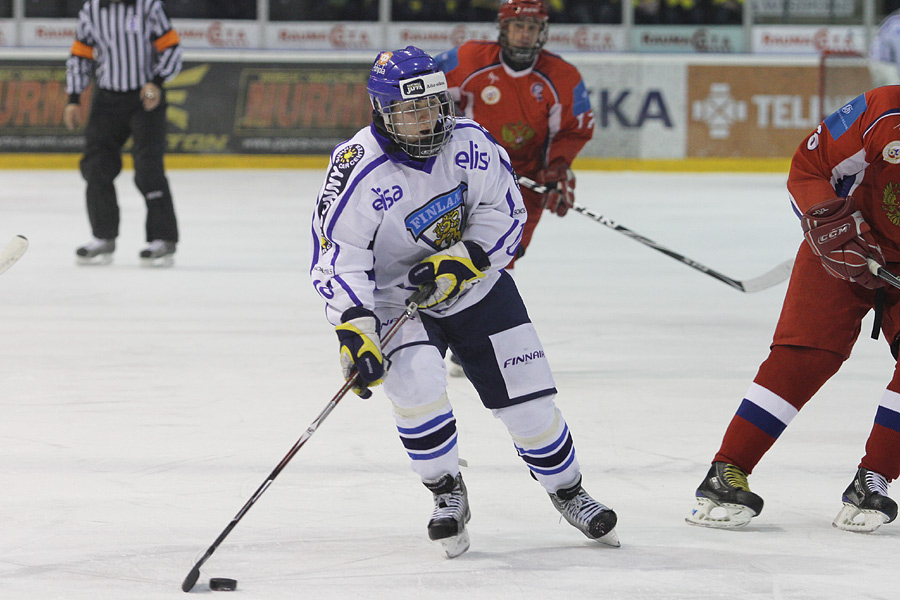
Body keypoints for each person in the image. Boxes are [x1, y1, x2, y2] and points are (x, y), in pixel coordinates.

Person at [310, 45, 619, 557]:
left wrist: (467, 257)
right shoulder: (355, 169)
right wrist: (355, 325)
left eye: (431, 104)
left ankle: (569, 491)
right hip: (395, 299)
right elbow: (336, 258)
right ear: (382, 111)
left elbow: (507, 212)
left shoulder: (471, 143)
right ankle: (446, 491)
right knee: (416, 389)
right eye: (409, 110)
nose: (425, 118)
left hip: (477, 286)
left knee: (529, 400)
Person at [686, 86, 900, 534]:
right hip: (848, 245)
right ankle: (726, 471)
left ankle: (873, 479)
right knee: (803, 356)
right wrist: (827, 224)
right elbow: (809, 168)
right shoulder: (882, 110)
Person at [434, 0, 594, 272]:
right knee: (440, 251)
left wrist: (557, 168)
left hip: (525, 184)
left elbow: (571, 131)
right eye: (518, 26)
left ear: (542, 31)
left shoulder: (563, 77)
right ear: (503, 28)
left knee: (496, 262)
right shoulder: (469, 59)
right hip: (469, 176)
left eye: (531, 27)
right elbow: (427, 96)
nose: (524, 34)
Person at [64, 0, 183, 267]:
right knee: (96, 167)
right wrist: (73, 97)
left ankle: (163, 238)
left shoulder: (149, 7)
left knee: (148, 168)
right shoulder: (91, 10)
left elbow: (171, 48)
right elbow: (80, 54)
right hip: (107, 98)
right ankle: (103, 236)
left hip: (145, 97)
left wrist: (157, 82)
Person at [869, 9, 900, 88]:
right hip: (886, 64)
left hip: (877, 61)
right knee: (895, 91)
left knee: (882, 94)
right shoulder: (897, 25)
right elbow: (898, 50)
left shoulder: (892, 20)